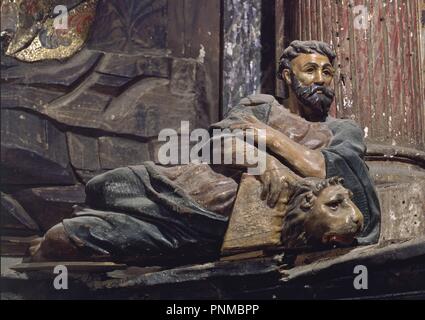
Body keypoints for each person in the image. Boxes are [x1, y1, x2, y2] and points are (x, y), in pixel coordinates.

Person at [29, 40, 380, 264]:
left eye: (328, 72)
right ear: (288, 76)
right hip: (196, 187)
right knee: (106, 186)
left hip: (228, 223)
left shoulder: (339, 129)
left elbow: (319, 168)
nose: (320, 79)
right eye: (310, 70)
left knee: (71, 237)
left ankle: (58, 242)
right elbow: (218, 145)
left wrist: (267, 140)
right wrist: (259, 160)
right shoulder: (258, 105)